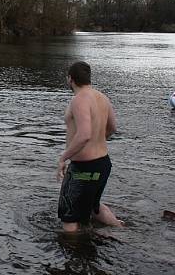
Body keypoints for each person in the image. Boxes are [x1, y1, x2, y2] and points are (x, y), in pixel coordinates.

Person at [57, 61, 123, 232]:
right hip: (103, 164)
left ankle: (76, 253)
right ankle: (121, 230)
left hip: (83, 169)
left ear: (70, 79)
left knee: (69, 217)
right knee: (94, 207)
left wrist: (64, 157)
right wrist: (98, 140)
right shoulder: (102, 97)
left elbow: (84, 134)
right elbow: (113, 128)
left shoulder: (78, 99)